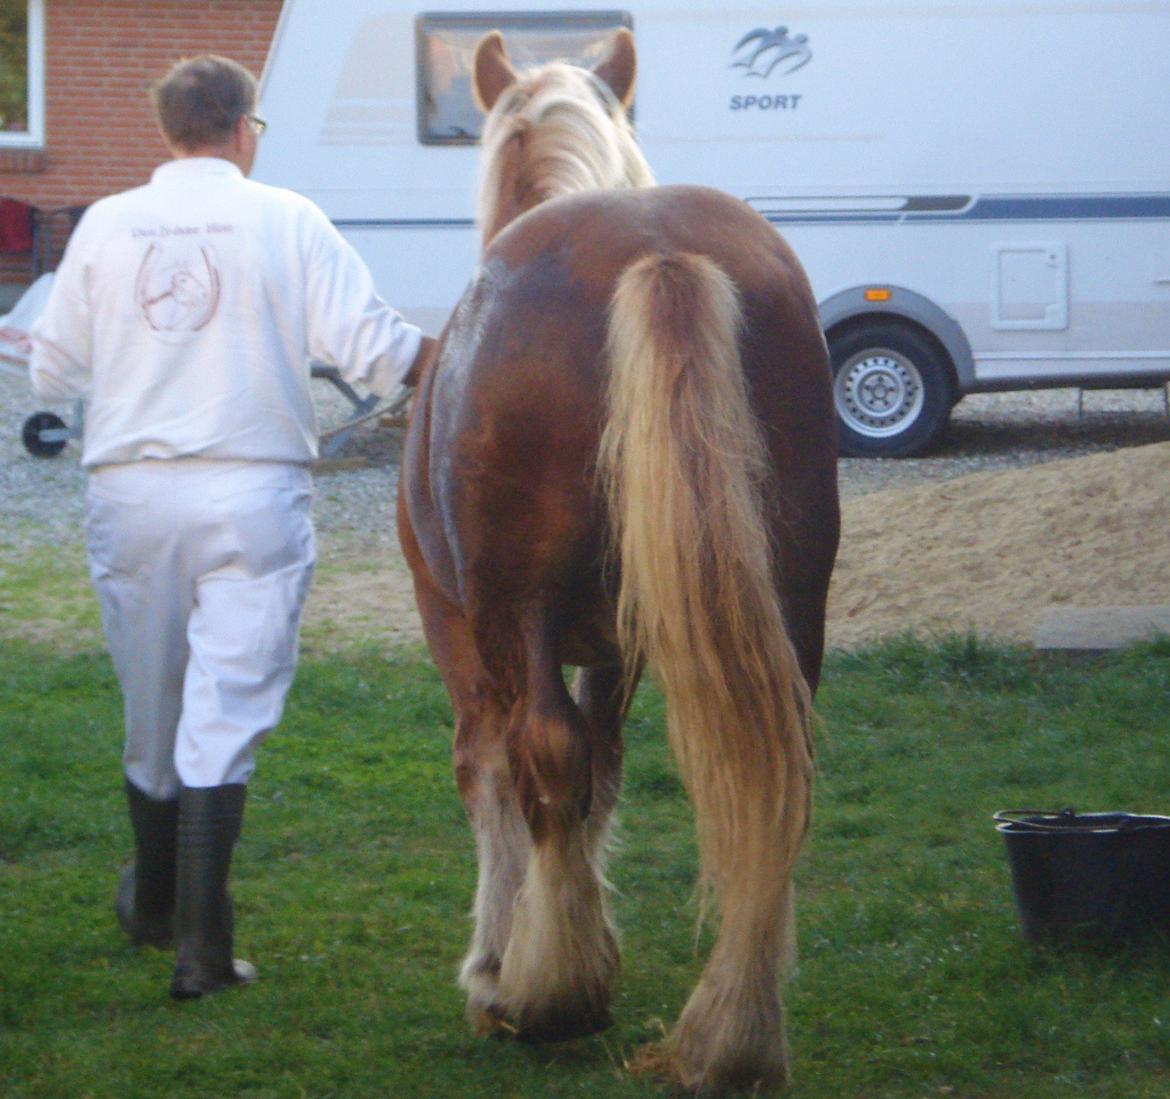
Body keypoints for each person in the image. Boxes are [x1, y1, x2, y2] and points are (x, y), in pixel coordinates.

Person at [28, 55, 434, 1000]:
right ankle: (200, 948)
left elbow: (51, 372)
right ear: (245, 128)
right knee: (228, 704)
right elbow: (377, 350)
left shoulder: (105, 223)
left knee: (153, 705)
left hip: (131, 491)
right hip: (252, 490)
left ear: (166, 130)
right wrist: (472, 351)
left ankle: (155, 902)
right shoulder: (288, 218)